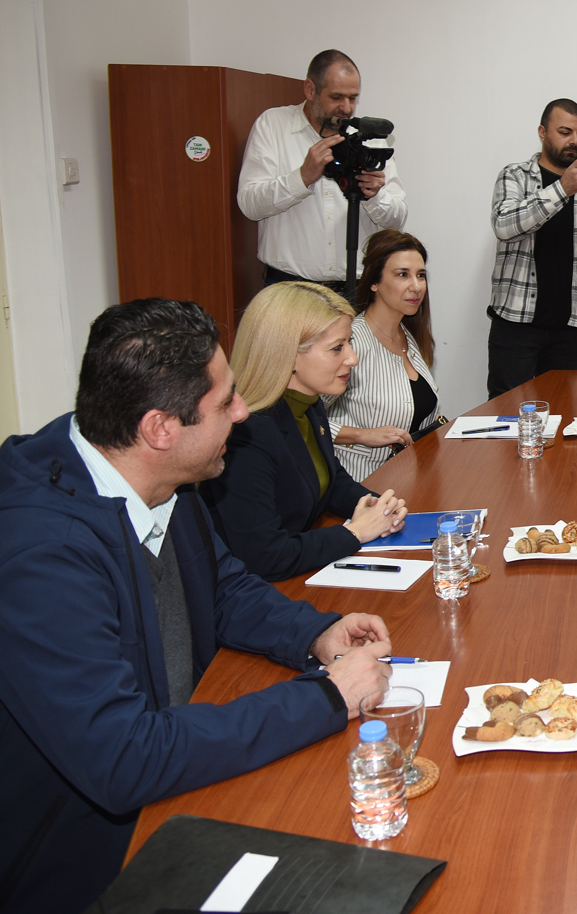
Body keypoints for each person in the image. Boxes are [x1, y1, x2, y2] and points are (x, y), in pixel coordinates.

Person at [0, 298, 395, 914]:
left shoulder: (157, 479)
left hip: (162, 790)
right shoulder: (33, 563)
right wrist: (326, 697)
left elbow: (222, 587)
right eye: (225, 402)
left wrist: (315, 633)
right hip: (51, 864)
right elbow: (124, 756)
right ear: (160, 429)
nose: (243, 412)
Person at [202, 283, 408, 581]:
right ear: (288, 355)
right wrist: (355, 532)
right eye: (337, 348)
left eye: (349, 343)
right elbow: (265, 556)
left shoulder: (307, 403)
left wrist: (381, 508)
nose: (353, 358)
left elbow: (332, 481)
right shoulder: (245, 436)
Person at [237, 49, 407, 291]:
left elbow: (397, 219)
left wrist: (374, 196)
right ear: (310, 89)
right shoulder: (273, 125)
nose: (346, 108)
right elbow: (250, 206)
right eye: (336, 97)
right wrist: (302, 178)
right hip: (289, 289)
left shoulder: (369, 137)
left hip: (356, 288)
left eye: (353, 98)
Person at [487, 98, 577, 399]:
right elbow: (505, 226)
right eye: (565, 132)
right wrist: (563, 188)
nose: (574, 141)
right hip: (515, 324)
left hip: (570, 329)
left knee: (561, 411)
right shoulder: (514, 176)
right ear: (542, 132)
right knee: (505, 412)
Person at [328, 229, 446, 480]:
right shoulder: (350, 341)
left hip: (412, 479)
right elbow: (301, 418)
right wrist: (362, 435)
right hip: (361, 484)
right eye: (403, 274)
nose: (416, 286)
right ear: (374, 282)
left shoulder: (411, 336)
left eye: (421, 275)